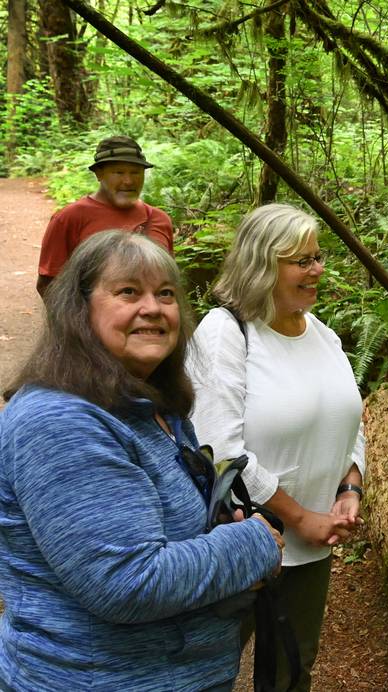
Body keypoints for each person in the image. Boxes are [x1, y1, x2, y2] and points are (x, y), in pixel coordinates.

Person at [0, 231, 284, 690]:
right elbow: (126, 582)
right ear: (79, 310)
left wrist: (218, 530)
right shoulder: (60, 422)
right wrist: (253, 545)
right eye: (128, 291)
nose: (153, 308)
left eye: (166, 294)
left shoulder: (151, 408)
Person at [188, 202, 366, 690]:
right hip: (238, 539)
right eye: (302, 260)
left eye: (318, 257)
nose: (318, 270)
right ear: (262, 264)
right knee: (204, 668)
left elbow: (351, 422)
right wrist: (300, 516)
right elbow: (220, 445)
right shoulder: (226, 332)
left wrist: (349, 489)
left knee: (291, 669)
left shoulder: (323, 335)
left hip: (311, 549)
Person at [37, 135, 174, 296]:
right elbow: (48, 284)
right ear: (99, 174)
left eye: (135, 172)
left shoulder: (160, 219)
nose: (128, 181)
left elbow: (170, 281)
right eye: (119, 172)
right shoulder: (69, 218)